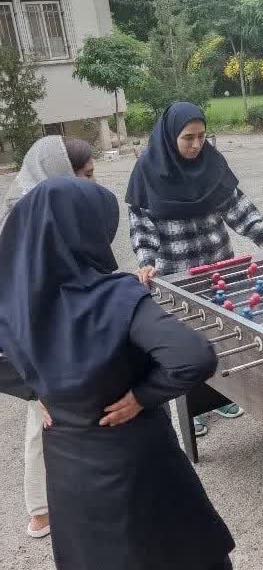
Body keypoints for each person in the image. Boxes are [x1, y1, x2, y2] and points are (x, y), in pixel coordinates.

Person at [0, 178, 235, 570]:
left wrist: (38, 389)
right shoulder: (115, 297)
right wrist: (144, 395)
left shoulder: (14, 305)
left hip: (71, 471)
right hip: (137, 461)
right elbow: (194, 357)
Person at [126, 101, 263, 436]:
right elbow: (141, 223)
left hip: (219, 266)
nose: (196, 145)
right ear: (170, 136)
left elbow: (237, 208)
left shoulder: (211, 162)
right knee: (185, 342)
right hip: (177, 275)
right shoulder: (148, 169)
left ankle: (222, 396)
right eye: (188, 138)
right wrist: (146, 261)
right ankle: (191, 407)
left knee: (221, 333)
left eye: (201, 136)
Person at [0, 135, 94, 539]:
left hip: (59, 327)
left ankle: (55, 502)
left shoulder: (53, 208)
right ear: (59, 175)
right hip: (35, 337)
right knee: (43, 416)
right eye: (85, 175)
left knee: (58, 415)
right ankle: (40, 510)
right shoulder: (25, 224)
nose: (92, 182)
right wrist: (36, 378)